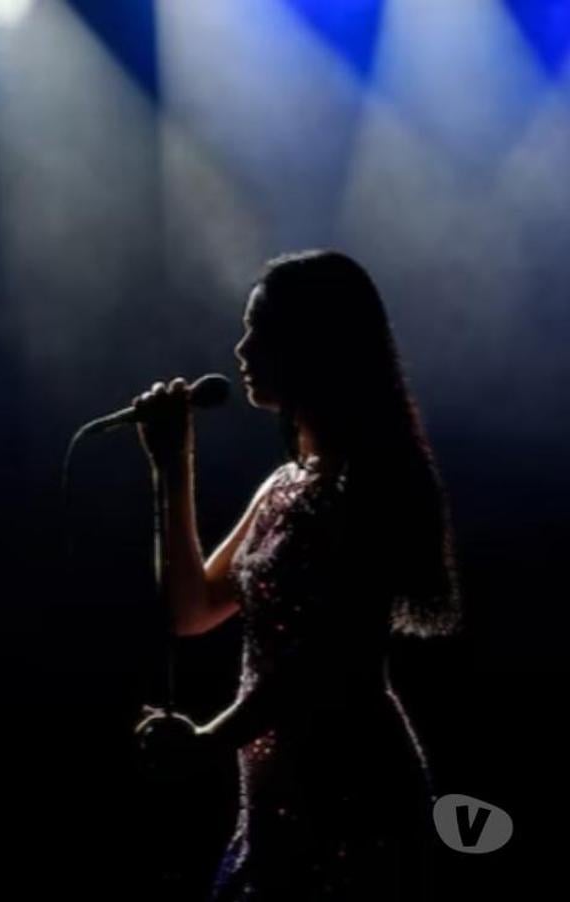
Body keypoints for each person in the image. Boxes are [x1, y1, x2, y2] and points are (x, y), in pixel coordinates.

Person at [132, 250, 462, 901]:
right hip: (274, 791)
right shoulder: (285, 486)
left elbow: (323, 662)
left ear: (318, 346)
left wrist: (205, 741)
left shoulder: (365, 489)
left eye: (262, 330)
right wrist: (172, 467)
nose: (241, 347)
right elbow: (190, 610)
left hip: (350, 788)